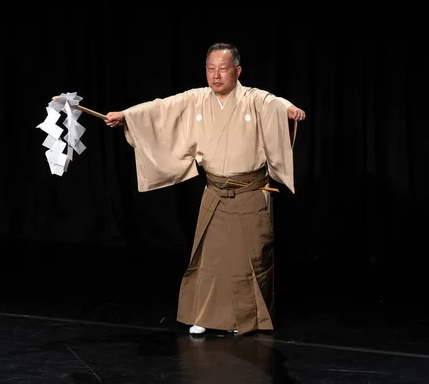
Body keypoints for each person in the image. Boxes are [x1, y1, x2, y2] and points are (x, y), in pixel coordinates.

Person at [105, 43, 306, 335]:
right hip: (216, 191)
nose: (216, 75)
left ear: (237, 71)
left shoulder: (252, 98)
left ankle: (245, 320)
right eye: (211, 69)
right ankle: (205, 315)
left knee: (248, 260)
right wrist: (127, 115)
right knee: (209, 258)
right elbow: (162, 107)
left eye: (223, 69)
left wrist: (288, 109)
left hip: (250, 192)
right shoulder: (197, 99)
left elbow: (272, 102)